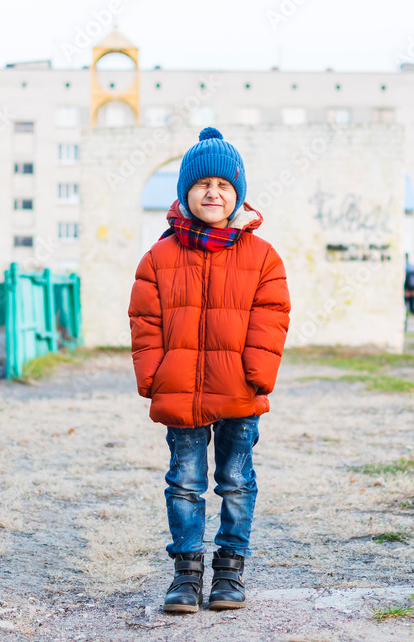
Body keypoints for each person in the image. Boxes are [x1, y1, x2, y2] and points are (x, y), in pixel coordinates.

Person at [128, 127, 291, 614]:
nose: (212, 192)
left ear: (238, 193)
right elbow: (145, 321)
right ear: (185, 192)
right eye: (202, 185)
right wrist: (154, 378)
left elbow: (272, 315)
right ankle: (185, 575)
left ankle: (230, 572)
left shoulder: (261, 256)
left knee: (236, 481)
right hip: (181, 392)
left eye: (223, 184)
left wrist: (257, 375)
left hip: (238, 390)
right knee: (184, 482)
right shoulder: (159, 256)